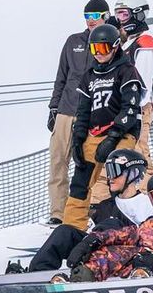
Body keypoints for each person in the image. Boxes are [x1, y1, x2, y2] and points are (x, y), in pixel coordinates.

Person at [61, 154, 153, 282]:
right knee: (113, 251)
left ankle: (144, 271)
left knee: (151, 225)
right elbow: (131, 234)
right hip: (147, 263)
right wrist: (96, 239)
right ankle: (83, 275)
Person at [62, 22, 144, 230]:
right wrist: (78, 139)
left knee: (117, 172)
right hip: (95, 133)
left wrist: (113, 136)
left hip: (122, 132)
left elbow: (130, 108)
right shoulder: (89, 75)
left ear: (115, 47)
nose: (98, 53)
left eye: (103, 48)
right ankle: (72, 227)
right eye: (94, 48)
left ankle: (124, 222)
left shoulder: (126, 71)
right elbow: (83, 111)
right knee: (81, 180)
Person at [22, 150, 153, 273]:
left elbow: (152, 238)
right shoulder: (105, 207)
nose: (110, 177)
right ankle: (37, 273)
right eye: (108, 172)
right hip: (101, 255)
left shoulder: (148, 204)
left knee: (112, 224)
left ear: (133, 174)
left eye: (115, 171)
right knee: (65, 232)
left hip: (129, 257)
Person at [44, 0, 107, 226]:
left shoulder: (109, 42)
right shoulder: (73, 42)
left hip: (91, 114)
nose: (91, 20)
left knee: (89, 163)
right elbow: (61, 76)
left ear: (105, 16)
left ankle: (90, 210)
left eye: (95, 16)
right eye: (87, 16)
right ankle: (58, 212)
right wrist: (54, 107)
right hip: (66, 110)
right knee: (58, 162)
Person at [114, 0, 153, 176]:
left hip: (138, 106)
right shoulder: (129, 42)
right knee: (132, 153)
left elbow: (143, 78)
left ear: (138, 14)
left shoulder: (145, 41)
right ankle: (144, 187)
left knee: (138, 151)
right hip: (126, 105)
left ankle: (147, 188)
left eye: (124, 14)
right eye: (117, 14)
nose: (120, 19)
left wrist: (135, 107)